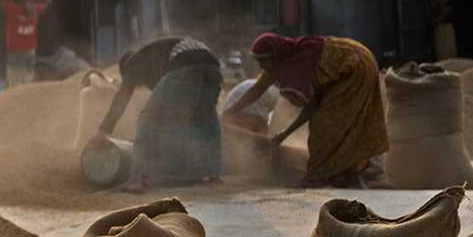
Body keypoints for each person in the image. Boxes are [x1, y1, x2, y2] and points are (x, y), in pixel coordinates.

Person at [223, 34, 389, 187]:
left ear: (274, 56)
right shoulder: (280, 60)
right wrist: (231, 112)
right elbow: (256, 90)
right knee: (341, 125)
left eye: (263, 61)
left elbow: (312, 107)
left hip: (355, 67)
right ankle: (346, 172)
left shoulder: (297, 65)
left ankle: (321, 175)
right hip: (355, 61)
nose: (261, 66)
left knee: (326, 124)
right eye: (258, 61)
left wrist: (283, 135)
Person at [88, 36, 224, 192]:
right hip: (213, 66)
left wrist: (103, 130)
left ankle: (138, 179)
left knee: (148, 119)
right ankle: (213, 175)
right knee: (205, 118)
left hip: (186, 64)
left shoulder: (133, 62)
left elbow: (122, 99)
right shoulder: (156, 63)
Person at [0, 0, 51, 86]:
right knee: (25, 81)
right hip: (25, 52)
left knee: (16, 81)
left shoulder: (12, 9)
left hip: (18, 52)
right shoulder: (35, 9)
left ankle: (19, 96)